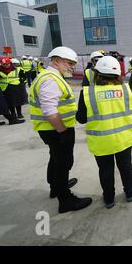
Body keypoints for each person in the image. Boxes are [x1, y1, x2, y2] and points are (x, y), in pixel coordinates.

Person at [29, 46, 92, 214]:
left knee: (55, 158)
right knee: (64, 163)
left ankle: (56, 187)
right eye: (69, 63)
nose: (72, 67)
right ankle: (65, 200)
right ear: (57, 61)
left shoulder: (50, 76)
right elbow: (50, 111)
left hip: (50, 129)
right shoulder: (50, 79)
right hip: (56, 129)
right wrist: (63, 131)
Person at [76, 56, 132, 209]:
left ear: (97, 73)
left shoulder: (87, 93)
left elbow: (81, 119)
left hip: (101, 141)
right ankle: (129, 193)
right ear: (117, 74)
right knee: (126, 166)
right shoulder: (126, 89)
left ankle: (109, 198)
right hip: (123, 138)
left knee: (106, 170)